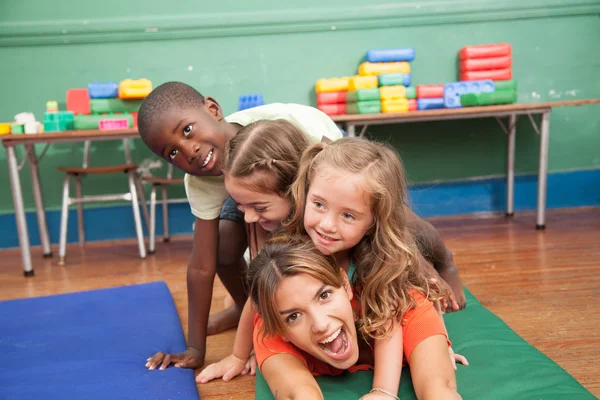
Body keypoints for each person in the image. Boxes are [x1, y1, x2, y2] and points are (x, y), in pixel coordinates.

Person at [199, 137, 467, 396]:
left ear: (374, 220)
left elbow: (395, 320)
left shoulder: (384, 260)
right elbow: (256, 303)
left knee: (434, 382)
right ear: (304, 195)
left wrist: (385, 389)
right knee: (269, 330)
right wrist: (238, 354)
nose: (327, 225)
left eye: (348, 215)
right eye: (318, 205)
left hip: (382, 332)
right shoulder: (293, 249)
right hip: (322, 339)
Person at [138, 82, 344, 370]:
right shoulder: (200, 181)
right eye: (172, 153)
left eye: (187, 131)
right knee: (223, 247)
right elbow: (201, 265)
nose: (189, 151)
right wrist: (195, 349)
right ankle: (246, 306)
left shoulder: (296, 127)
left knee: (338, 230)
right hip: (255, 201)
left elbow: (351, 191)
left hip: (324, 173)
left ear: (213, 109)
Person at [248, 234, 462, 399]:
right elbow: (300, 394)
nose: (321, 324)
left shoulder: (407, 307)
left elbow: (438, 390)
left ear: (344, 285)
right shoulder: (271, 331)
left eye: (324, 295)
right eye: (294, 316)